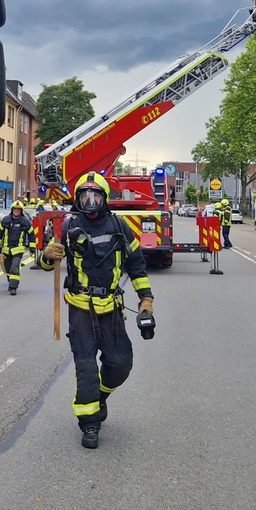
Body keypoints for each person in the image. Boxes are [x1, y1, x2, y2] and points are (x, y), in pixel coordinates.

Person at [40, 172, 154, 450]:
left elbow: (137, 265)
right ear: (78, 199)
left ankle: (99, 397)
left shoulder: (120, 226)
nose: (90, 202)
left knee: (121, 363)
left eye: (95, 196)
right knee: (87, 368)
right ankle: (90, 423)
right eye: (84, 197)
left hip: (112, 308)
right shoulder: (67, 227)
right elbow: (45, 265)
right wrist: (46, 255)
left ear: (104, 200)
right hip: (80, 308)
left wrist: (146, 299)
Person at [0, 200, 32, 294]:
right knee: (7, 268)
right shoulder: (5, 220)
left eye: (18, 209)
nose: (16, 211)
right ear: (12, 210)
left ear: (21, 211)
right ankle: (12, 281)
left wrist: (32, 249)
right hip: (6, 250)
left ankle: (13, 288)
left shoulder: (25, 222)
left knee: (14, 268)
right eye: (15, 209)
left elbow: (32, 235)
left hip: (18, 250)